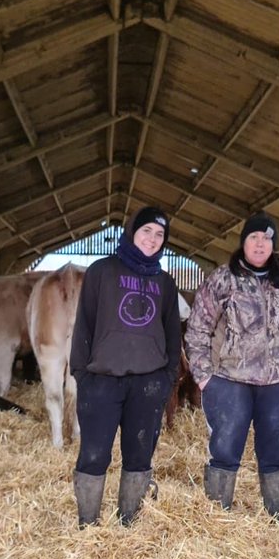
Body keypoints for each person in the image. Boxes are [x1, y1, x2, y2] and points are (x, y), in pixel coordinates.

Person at [185, 212, 279, 527]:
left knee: (276, 451)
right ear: (243, 242)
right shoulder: (222, 279)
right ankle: (218, 518)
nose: (260, 244)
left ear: (274, 245)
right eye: (254, 237)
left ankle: (277, 519)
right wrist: (204, 377)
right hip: (230, 381)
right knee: (225, 447)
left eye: (267, 239)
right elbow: (197, 329)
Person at [70, 206, 183, 527]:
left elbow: (173, 335)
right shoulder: (102, 271)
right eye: (146, 231)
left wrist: (166, 378)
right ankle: (87, 524)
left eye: (160, 235)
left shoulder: (164, 282)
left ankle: (128, 521)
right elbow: (84, 326)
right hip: (101, 382)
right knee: (94, 455)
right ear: (132, 231)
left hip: (148, 384)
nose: (152, 239)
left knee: (139, 456)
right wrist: (82, 373)